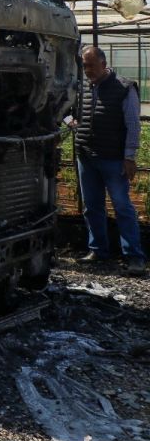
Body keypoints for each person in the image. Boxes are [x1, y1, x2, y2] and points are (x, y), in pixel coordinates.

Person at [76, 44, 145, 276]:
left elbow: (133, 125)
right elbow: (71, 113)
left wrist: (129, 157)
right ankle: (97, 250)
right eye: (85, 66)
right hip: (87, 156)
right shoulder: (82, 88)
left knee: (122, 207)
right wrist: (71, 124)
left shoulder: (124, 88)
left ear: (104, 64)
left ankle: (135, 256)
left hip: (114, 158)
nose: (88, 71)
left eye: (92, 66)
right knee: (92, 207)